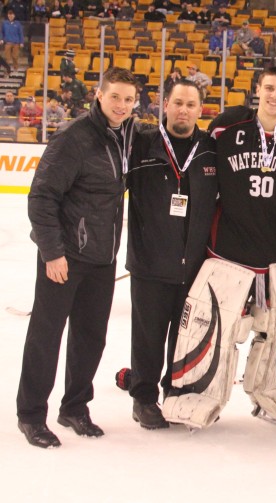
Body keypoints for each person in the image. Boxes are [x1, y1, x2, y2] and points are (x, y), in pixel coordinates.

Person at [17, 67, 140, 449]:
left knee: (90, 338)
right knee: (46, 336)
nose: (121, 105)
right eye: (115, 96)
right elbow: (41, 198)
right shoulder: (73, 137)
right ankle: (31, 415)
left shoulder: (126, 136)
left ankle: (74, 407)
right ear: (99, 95)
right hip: (65, 258)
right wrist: (52, 252)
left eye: (129, 99)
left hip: (102, 258)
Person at [204, 67, 276, 424]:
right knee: (221, 330)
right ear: (257, 90)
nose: (275, 95)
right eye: (269, 88)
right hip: (229, 252)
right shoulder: (227, 127)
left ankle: (270, 396)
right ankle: (203, 395)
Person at [125, 80, 217, 430]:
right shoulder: (143, 144)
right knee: (148, 337)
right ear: (165, 105)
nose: (184, 110)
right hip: (150, 263)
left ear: (200, 109)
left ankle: (175, 393)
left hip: (194, 266)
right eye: (178, 102)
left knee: (184, 338)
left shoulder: (210, 148)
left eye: (191, 104)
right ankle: (144, 398)